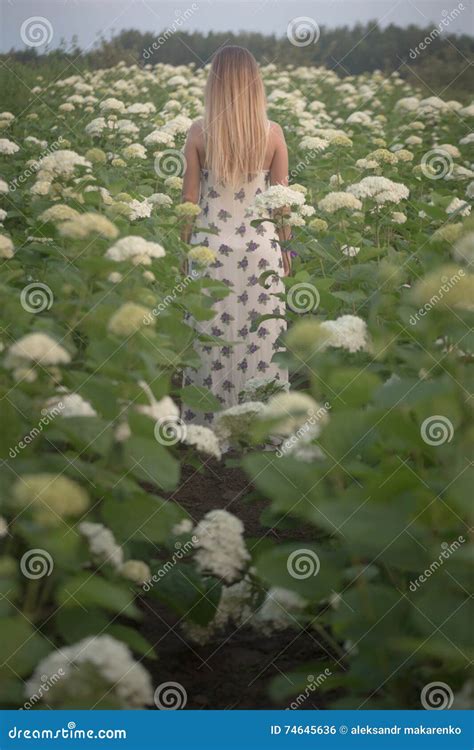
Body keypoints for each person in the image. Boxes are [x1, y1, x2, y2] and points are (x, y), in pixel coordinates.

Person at [181, 46, 291, 424]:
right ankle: (264, 423)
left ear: (215, 85)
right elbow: (282, 203)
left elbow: (189, 203)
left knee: (209, 338)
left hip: (210, 248)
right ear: (254, 85)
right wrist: (286, 247)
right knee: (263, 339)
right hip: (262, 249)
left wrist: (184, 250)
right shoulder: (273, 134)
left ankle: (208, 425)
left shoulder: (198, 133)